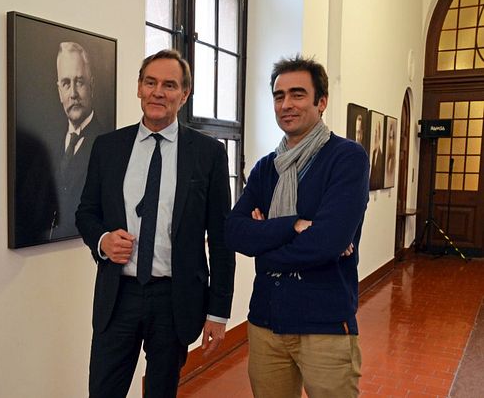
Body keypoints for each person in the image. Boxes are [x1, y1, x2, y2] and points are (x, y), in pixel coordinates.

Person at [76, 49, 234, 397]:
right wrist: (102, 240)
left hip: (175, 299)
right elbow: (85, 212)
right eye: (150, 82)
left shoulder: (208, 154)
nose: (158, 92)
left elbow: (221, 238)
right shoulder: (108, 147)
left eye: (169, 85)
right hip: (118, 295)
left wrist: (218, 312)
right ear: (138, 88)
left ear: (184, 94)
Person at [224, 55, 368, 397]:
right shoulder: (265, 169)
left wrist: (264, 241)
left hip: (325, 325)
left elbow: (327, 242)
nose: (286, 104)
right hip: (265, 323)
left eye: (298, 94)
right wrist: (293, 226)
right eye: (279, 96)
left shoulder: (346, 158)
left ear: (321, 102)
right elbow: (234, 232)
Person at [50, 42, 111, 239]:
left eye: (80, 82)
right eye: (66, 83)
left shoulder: (107, 143)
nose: (73, 93)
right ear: (59, 92)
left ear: (91, 86)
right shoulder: (50, 142)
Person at [369, 118, 385, 190]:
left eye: (377, 132)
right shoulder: (372, 153)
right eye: (374, 132)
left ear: (380, 135)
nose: (375, 135)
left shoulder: (381, 157)